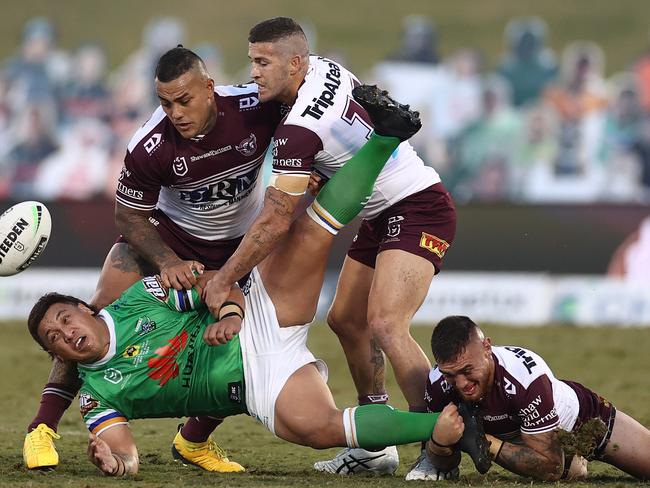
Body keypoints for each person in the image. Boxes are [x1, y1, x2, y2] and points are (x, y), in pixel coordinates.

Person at [26, 86, 489, 477]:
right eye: (55, 338)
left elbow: (218, 288)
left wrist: (229, 313)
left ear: (86, 308)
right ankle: (443, 426)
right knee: (317, 428)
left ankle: (385, 137)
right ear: (56, 354)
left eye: (65, 319)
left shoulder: (135, 301)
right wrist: (114, 462)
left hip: (261, 315)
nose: (66, 333)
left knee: (309, 231)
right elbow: (125, 452)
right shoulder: (94, 397)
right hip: (259, 383)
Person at [201, 17, 456, 475]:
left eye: (263, 62)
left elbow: (278, 218)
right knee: (344, 320)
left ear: (295, 62)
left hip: (419, 205)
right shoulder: (325, 68)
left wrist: (225, 278)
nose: (254, 72)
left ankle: (439, 446)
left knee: (385, 324)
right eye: (251, 61)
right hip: (382, 211)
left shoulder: (297, 130)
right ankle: (377, 446)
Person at [23, 46, 286, 473]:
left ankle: (194, 441)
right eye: (165, 103)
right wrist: (166, 261)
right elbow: (127, 214)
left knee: (243, 341)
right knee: (84, 323)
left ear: (208, 88)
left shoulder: (254, 106)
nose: (175, 113)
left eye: (184, 101)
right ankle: (41, 430)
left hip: (237, 249)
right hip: (167, 244)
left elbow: (303, 125)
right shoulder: (150, 144)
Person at [407, 315, 650, 481]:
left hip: (585, 420)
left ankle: (574, 462)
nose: (461, 384)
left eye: (467, 371)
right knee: (572, 472)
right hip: (531, 441)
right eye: (451, 374)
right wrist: (440, 443)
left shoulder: (526, 378)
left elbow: (551, 465)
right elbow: (446, 466)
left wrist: (483, 441)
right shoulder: (439, 383)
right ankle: (573, 465)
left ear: (487, 348)